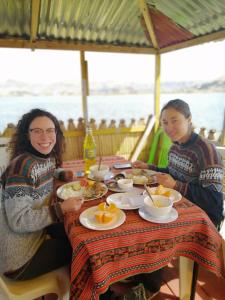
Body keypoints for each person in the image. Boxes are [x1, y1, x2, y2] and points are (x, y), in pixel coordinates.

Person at [0, 108, 83, 282]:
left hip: (37, 234)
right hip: (20, 259)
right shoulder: (21, 167)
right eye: (37, 131)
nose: (45, 137)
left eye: (49, 130)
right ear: (26, 135)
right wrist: (60, 208)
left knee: (80, 229)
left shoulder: (43, 157)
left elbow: (47, 169)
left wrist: (61, 174)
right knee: (84, 249)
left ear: (56, 133)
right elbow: (19, 221)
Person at [133, 99, 224, 228]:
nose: (169, 127)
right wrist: (148, 167)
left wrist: (176, 185)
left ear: (189, 119)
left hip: (205, 218)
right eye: (165, 122)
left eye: (174, 121)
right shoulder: (175, 147)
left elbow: (213, 200)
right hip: (179, 205)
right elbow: (173, 172)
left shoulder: (206, 151)